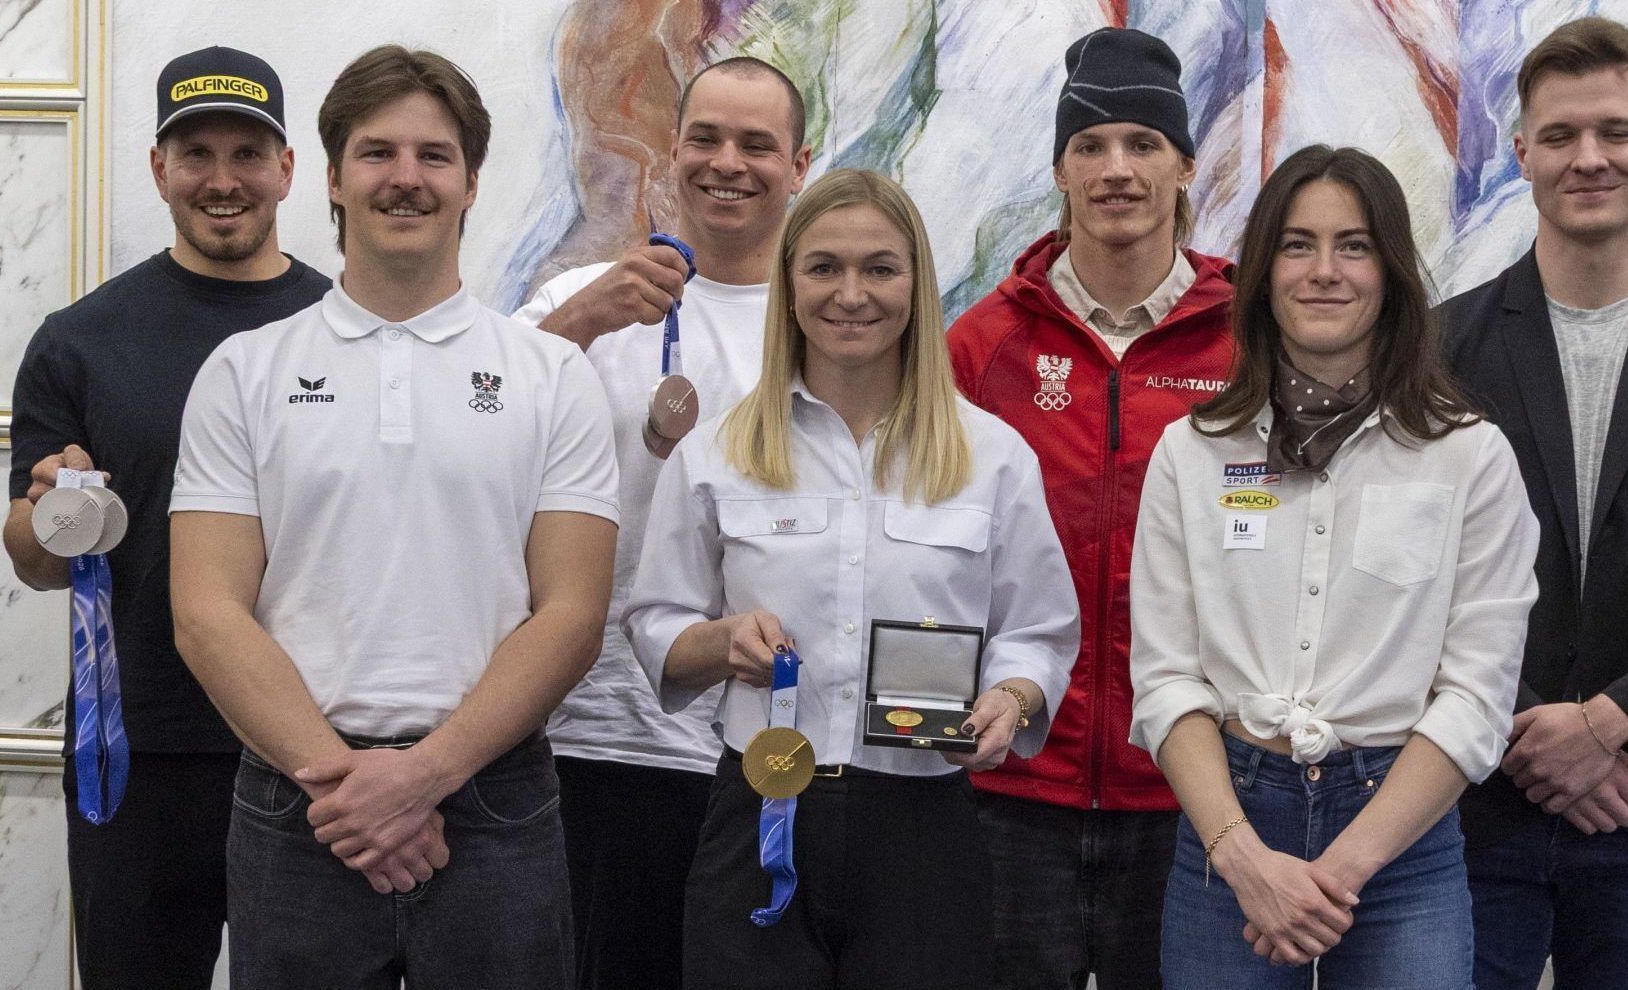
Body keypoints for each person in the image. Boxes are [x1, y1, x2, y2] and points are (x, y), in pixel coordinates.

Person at [168, 45, 619, 988]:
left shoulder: (551, 377)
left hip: (493, 804)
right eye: (377, 153)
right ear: (330, 177)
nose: (405, 179)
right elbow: (207, 612)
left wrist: (424, 775)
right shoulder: (244, 373)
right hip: (300, 806)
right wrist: (342, 783)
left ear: (470, 184)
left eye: (434, 156)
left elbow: (572, 612)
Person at [622, 168, 1079, 989]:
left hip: (922, 832)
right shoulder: (717, 452)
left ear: (917, 284)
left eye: (880, 268)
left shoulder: (992, 457)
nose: (851, 294)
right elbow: (654, 622)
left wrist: (1011, 701)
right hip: (758, 814)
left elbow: (1038, 633)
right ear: (789, 285)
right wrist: (722, 642)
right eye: (824, 267)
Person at [1128, 144, 1540, 987]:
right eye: (1295, 244)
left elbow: (1474, 697)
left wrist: (1335, 877)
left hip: (1402, 838)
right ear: (1260, 274)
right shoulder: (1190, 454)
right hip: (1228, 826)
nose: (1324, 271)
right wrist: (1246, 862)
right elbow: (1166, 680)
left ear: (1389, 272)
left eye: (1352, 245)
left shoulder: (1468, 455)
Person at [1, 46, 328, 989]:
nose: (222, 181)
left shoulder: (340, 325)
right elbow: (31, 560)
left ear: (287, 169)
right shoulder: (79, 340)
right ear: (158, 169)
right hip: (134, 748)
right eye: (196, 155)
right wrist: (51, 511)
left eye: (246, 154)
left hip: (307, 742)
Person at [1442, 17, 1628, 989]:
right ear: (1521, 149)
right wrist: (1531, 737)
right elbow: (1408, 577)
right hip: (1470, 801)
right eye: (1562, 134)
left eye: (1615, 131)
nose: (1590, 157)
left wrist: (1615, 721)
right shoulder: (1440, 352)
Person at [512, 56, 810, 989]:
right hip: (587, 728)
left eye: (757, 144)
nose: (728, 162)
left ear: (801, 164)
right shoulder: (577, 302)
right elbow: (459, 445)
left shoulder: (832, 322)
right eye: (706, 138)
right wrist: (582, 325)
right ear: (671, 151)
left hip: (763, 738)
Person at [946, 27, 1234, 989]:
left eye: (1142, 144)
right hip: (1009, 786)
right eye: (1091, 146)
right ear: (1060, 168)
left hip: (1192, 788)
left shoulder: (1251, 347)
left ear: (1185, 164)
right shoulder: (978, 346)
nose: (1117, 170)